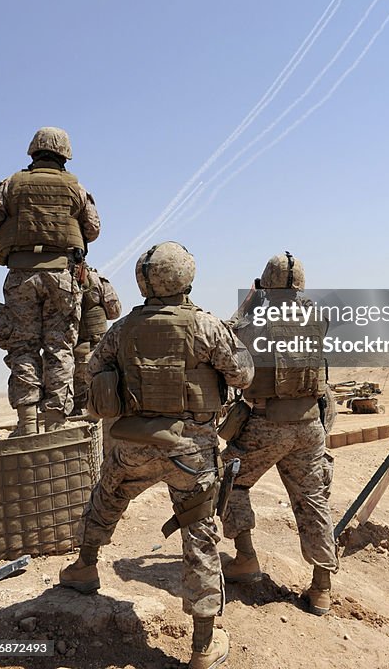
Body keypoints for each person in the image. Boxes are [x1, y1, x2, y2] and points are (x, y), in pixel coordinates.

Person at [59, 241, 254, 669]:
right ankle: (203, 643)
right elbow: (242, 373)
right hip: (190, 450)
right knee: (199, 532)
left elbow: (94, 373)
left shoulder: (122, 328)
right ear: (187, 276)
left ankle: (84, 567)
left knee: (106, 499)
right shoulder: (205, 325)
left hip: (131, 445)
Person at [221, 251, 339, 615]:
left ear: (264, 283)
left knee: (233, 480)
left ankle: (245, 559)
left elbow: (225, 336)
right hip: (309, 427)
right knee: (313, 499)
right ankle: (321, 586)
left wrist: (249, 303)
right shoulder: (318, 316)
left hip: (265, 423)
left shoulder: (256, 318)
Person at [0, 126, 100, 434]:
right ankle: (57, 424)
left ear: (33, 151)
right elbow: (93, 230)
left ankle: (28, 424)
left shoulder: (11, 185)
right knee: (59, 348)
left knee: (23, 348)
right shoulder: (76, 188)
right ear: (65, 155)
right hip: (62, 276)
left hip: (21, 276)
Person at [72, 264, 122, 415]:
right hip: (96, 350)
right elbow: (114, 312)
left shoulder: (55, 279)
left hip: (64, 353)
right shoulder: (95, 279)